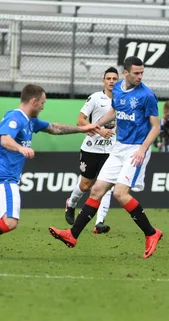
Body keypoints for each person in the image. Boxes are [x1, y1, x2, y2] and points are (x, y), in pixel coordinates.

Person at [49, 56, 163, 258]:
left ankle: (152, 233)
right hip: (119, 147)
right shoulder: (118, 89)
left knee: (120, 193)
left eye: (142, 73)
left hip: (136, 149)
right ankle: (72, 234)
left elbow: (156, 128)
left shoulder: (147, 96)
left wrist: (142, 150)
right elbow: (114, 110)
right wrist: (97, 124)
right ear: (126, 73)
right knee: (97, 190)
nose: (140, 76)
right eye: (136, 73)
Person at [0, 84, 99, 236]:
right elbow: (5, 139)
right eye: (42, 103)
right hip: (5, 178)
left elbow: (54, 128)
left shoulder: (30, 121)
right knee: (10, 221)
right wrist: (21, 148)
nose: (43, 107)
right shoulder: (15, 117)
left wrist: (82, 129)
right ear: (33, 101)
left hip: (7, 177)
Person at [65, 67, 119, 234]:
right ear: (103, 81)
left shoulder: (123, 100)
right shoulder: (96, 98)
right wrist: (98, 130)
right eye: (108, 78)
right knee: (86, 185)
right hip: (91, 148)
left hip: (111, 149)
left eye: (114, 78)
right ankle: (71, 203)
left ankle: (99, 222)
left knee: (107, 185)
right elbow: (80, 120)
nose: (111, 81)